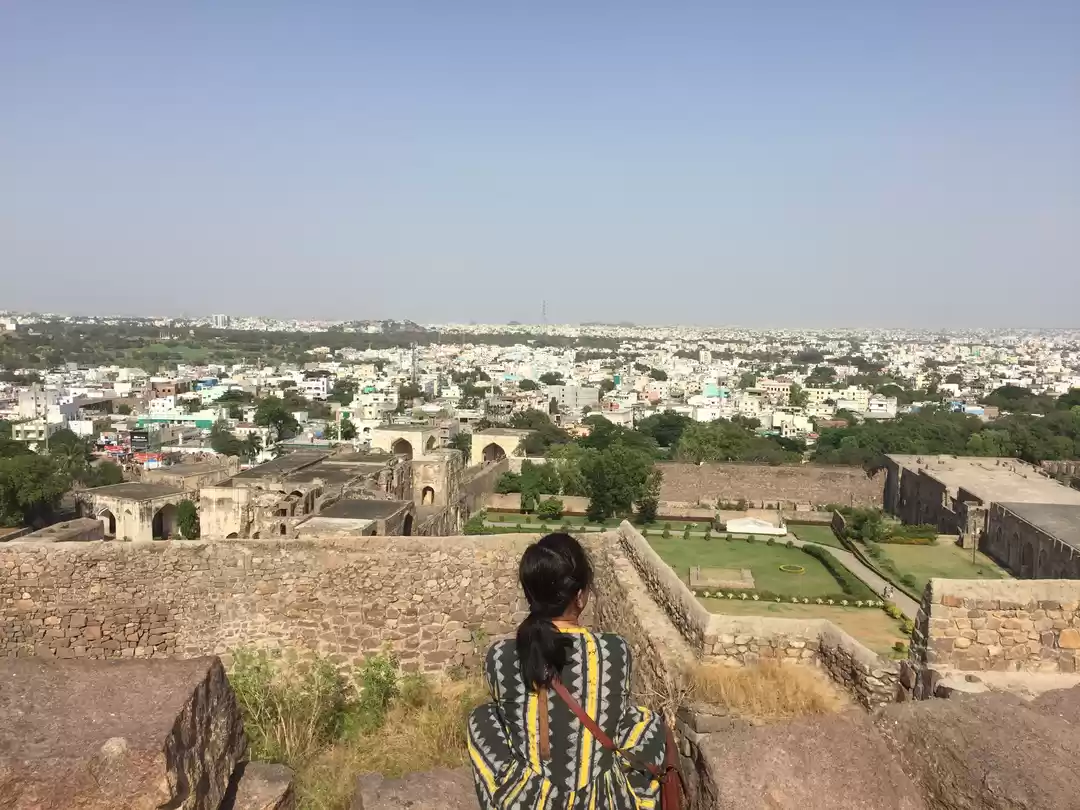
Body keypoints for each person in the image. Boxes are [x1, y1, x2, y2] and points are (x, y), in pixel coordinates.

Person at [468, 533, 670, 809]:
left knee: (481, 717)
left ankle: (508, 795)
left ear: (531, 595)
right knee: (645, 720)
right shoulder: (614, 651)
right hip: (602, 801)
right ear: (580, 596)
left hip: (530, 801)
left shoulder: (501, 655)